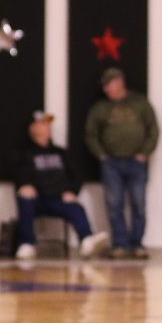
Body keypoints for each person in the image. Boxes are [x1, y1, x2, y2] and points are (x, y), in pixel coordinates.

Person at [85, 67, 159, 260]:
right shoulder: (100, 108)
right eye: (104, 86)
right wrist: (101, 155)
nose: (106, 89)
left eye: (109, 84)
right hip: (111, 163)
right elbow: (91, 134)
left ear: (119, 82)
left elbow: (153, 129)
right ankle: (120, 245)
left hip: (136, 162)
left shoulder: (139, 103)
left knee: (139, 204)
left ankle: (137, 244)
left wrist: (145, 153)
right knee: (114, 204)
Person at [14, 110, 109, 260]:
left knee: (76, 207)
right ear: (32, 128)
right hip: (36, 199)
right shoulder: (24, 153)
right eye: (43, 124)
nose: (48, 127)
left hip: (58, 199)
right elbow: (18, 173)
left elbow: (77, 174)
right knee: (25, 199)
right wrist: (24, 184)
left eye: (48, 124)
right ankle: (26, 243)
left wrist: (72, 191)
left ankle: (86, 240)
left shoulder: (61, 152)